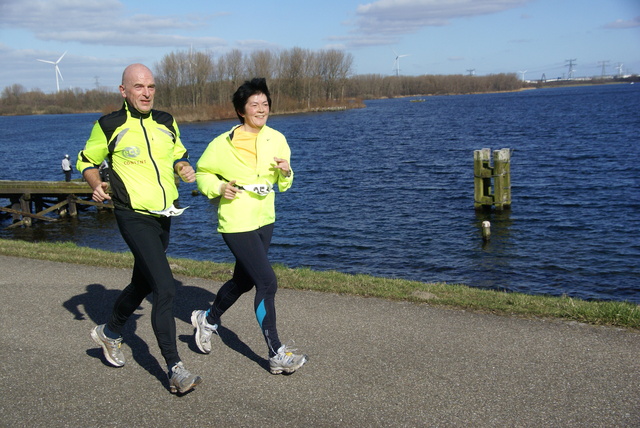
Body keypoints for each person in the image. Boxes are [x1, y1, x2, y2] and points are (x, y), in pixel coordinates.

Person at [77, 63, 202, 394]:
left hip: (164, 213)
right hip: (132, 213)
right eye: (138, 87)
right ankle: (175, 369)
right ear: (124, 91)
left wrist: (183, 165)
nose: (146, 93)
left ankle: (110, 332)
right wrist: (95, 181)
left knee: (142, 281)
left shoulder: (166, 121)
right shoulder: (109, 125)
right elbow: (86, 160)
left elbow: (177, 152)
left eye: (151, 87)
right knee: (165, 287)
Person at [191, 78, 308, 375]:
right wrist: (218, 187)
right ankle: (276, 352)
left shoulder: (277, 138)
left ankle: (208, 319)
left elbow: (285, 183)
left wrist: (286, 172)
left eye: (265, 104)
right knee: (267, 282)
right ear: (241, 110)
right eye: (254, 104)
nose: (261, 109)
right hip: (236, 220)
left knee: (244, 282)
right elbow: (202, 173)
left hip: (264, 218)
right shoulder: (221, 143)